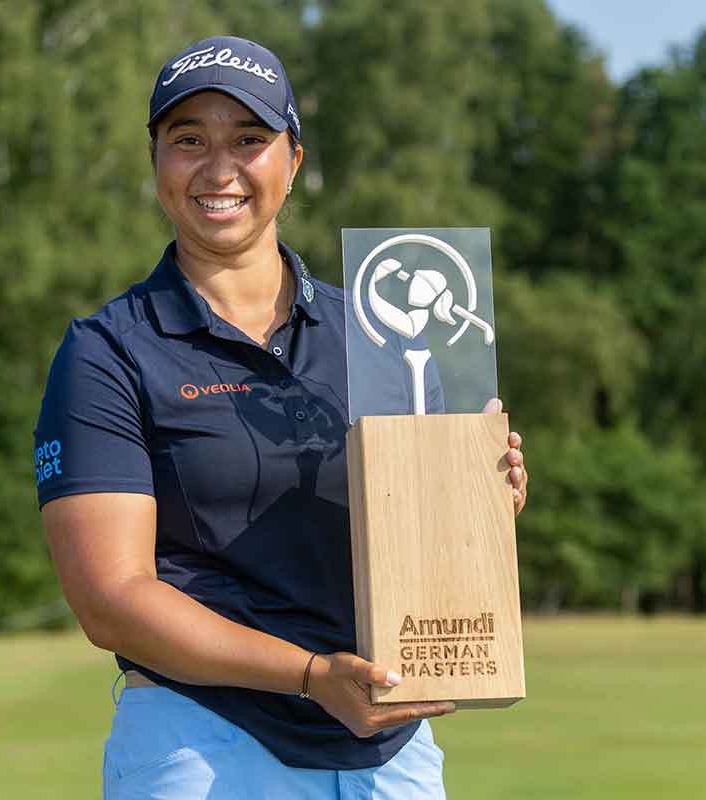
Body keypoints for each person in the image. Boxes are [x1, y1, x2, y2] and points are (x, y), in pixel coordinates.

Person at [34, 35, 529, 799]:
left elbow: (416, 537)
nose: (219, 166)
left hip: (390, 750)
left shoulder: (381, 333)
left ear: (293, 160)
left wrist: (476, 499)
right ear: (157, 162)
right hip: (201, 743)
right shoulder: (106, 352)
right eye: (188, 139)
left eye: (250, 139)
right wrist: (308, 676)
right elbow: (112, 600)